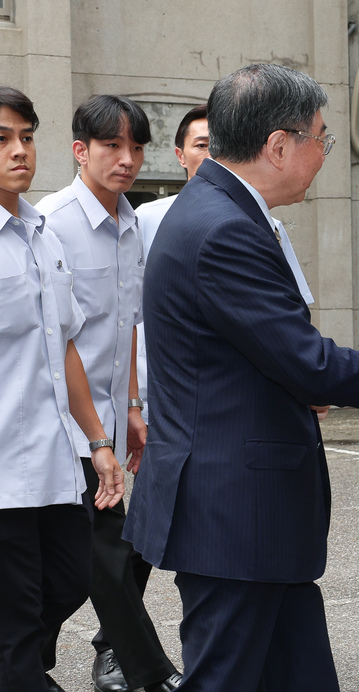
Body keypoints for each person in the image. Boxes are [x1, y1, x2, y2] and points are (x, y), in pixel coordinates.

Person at [123, 63, 359, 692]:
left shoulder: (215, 208)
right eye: (322, 137)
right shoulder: (225, 228)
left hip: (251, 516)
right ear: (280, 144)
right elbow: (304, 360)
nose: (324, 153)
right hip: (236, 516)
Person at [36, 95, 181, 692]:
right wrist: (96, 432)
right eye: (112, 146)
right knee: (108, 556)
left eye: (136, 147)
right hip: (62, 427)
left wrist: (133, 409)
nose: (127, 159)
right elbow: (54, 342)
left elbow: (125, 332)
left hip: (109, 426)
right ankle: (152, 674)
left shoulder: (132, 225)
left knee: (70, 571)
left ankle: (20, 659)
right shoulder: (50, 224)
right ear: (80, 151)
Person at [0, 86, 124, 692]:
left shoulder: (41, 235)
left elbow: (65, 345)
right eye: (2, 139)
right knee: (20, 616)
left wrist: (98, 439)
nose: (19, 151)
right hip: (1, 471)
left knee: (74, 579)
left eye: (25, 136)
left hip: (54, 459)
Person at [135, 103, 210, 423]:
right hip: (163, 391)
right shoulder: (146, 218)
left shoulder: (264, 221)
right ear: (181, 155)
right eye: (202, 145)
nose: (212, 154)